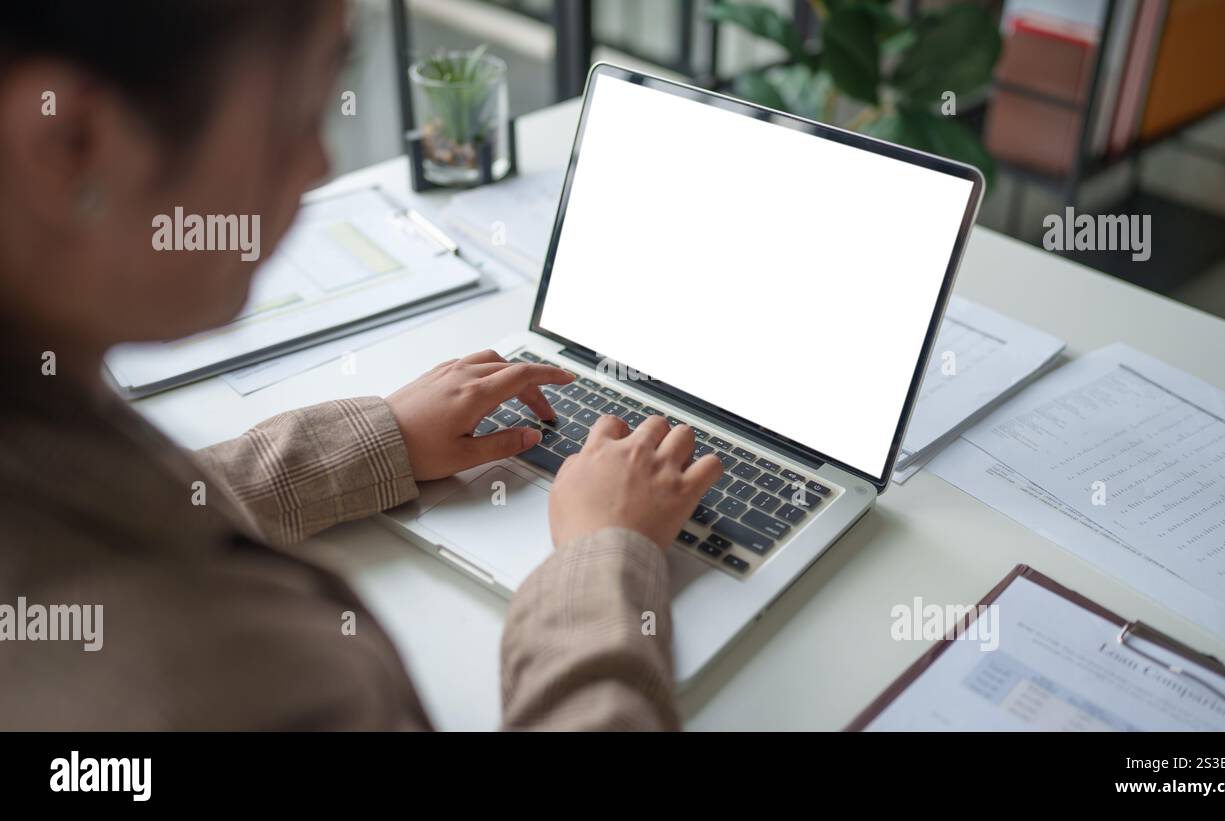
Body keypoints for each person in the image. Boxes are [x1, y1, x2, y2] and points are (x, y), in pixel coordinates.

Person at [0, 0, 722, 730]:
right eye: (301, 104)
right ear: (72, 144)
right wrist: (602, 559)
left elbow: (130, 502)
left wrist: (375, 440)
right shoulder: (202, 682)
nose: (321, 162)